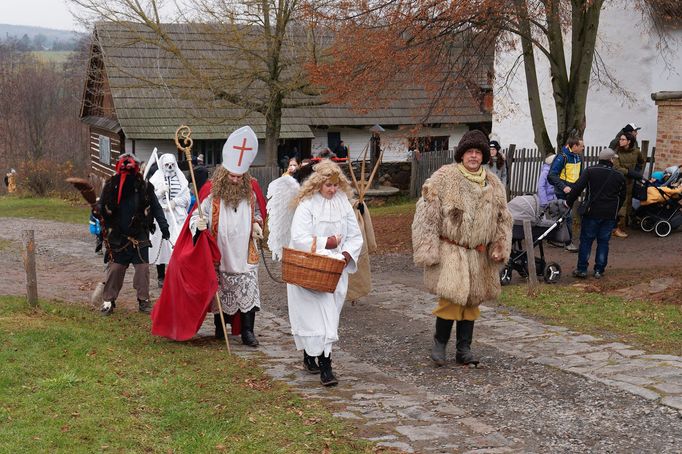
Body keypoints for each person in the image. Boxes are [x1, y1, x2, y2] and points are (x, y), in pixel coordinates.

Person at [412, 130, 512, 367]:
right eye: (470, 152)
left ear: (484, 156)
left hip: (477, 253)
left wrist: (499, 246)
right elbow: (427, 215)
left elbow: (503, 219)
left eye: (478, 152)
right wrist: (428, 247)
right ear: (462, 155)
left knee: (471, 301)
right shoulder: (444, 177)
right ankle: (439, 345)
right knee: (450, 299)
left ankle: (464, 349)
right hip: (452, 251)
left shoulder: (494, 183)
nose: (474, 156)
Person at [286, 160, 363, 386]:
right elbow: (299, 238)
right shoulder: (307, 204)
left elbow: (354, 236)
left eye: (335, 185)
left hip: (335, 270)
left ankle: (314, 356)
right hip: (310, 270)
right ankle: (325, 366)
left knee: (330, 317)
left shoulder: (343, 204)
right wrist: (327, 243)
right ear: (318, 183)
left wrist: (346, 254)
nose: (332, 189)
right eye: (328, 185)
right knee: (316, 320)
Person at [190, 126, 264, 347]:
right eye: (231, 176)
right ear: (224, 174)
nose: (234, 180)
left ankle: (248, 332)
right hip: (220, 251)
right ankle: (220, 327)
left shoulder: (249, 193)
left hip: (244, 252)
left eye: (239, 177)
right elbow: (195, 215)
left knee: (248, 288)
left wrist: (257, 224)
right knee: (220, 292)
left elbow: (258, 212)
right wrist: (199, 223)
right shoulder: (212, 194)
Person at [98, 153, 170, 315]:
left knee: (142, 269)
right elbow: (102, 207)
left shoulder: (145, 187)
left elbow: (156, 208)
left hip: (139, 235)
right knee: (115, 268)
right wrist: (99, 211)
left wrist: (164, 227)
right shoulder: (111, 185)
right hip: (117, 236)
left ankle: (143, 300)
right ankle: (109, 300)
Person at [566, 148, 626, 279]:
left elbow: (577, 188)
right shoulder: (619, 176)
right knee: (603, 242)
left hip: (592, 212)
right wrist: (615, 209)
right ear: (611, 159)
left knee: (586, 241)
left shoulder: (590, 171)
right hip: (609, 214)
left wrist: (568, 202)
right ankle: (599, 270)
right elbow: (622, 196)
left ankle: (582, 269)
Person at [149, 153, 190, 287]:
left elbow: (186, 198)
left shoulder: (181, 179)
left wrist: (175, 202)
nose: (170, 167)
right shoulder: (156, 178)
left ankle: (176, 274)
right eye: (167, 165)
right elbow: (148, 196)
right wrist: (160, 192)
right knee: (161, 247)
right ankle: (161, 276)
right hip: (161, 217)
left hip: (176, 216)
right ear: (162, 165)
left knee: (177, 244)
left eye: (172, 164)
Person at [547, 136, 584, 252]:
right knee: (567, 216)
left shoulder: (578, 156)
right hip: (563, 193)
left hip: (572, 192)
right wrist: (564, 187)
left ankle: (554, 238)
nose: (583, 148)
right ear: (574, 146)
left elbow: (580, 174)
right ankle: (568, 243)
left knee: (563, 217)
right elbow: (552, 175)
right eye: (581, 146)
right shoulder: (562, 157)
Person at [612, 132, 645, 238]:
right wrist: (629, 172)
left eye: (623, 139)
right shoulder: (616, 152)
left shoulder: (636, 152)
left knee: (628, 205)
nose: (620, 141)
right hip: (619, 181)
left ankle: (622, 227)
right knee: (620, 205)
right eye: (620, 139)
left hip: (630, 182)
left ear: (629, 141)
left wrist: (638, 171)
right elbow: (616, 168)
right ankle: (616, 229)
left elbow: (642, 161)